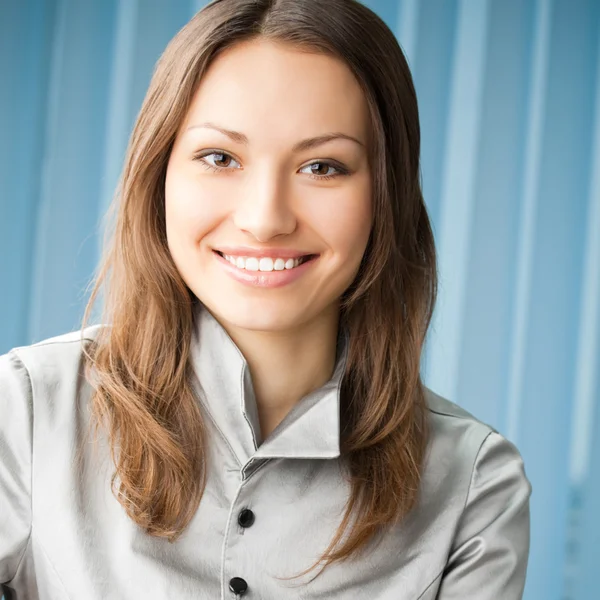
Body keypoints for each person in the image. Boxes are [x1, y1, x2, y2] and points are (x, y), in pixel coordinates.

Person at [0, 0, 532, 598]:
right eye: (220, 157)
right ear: (159, 175)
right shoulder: (24, 411)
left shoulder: (473, 488)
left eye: (323, 166)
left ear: (387, 196)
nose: (265, 219)